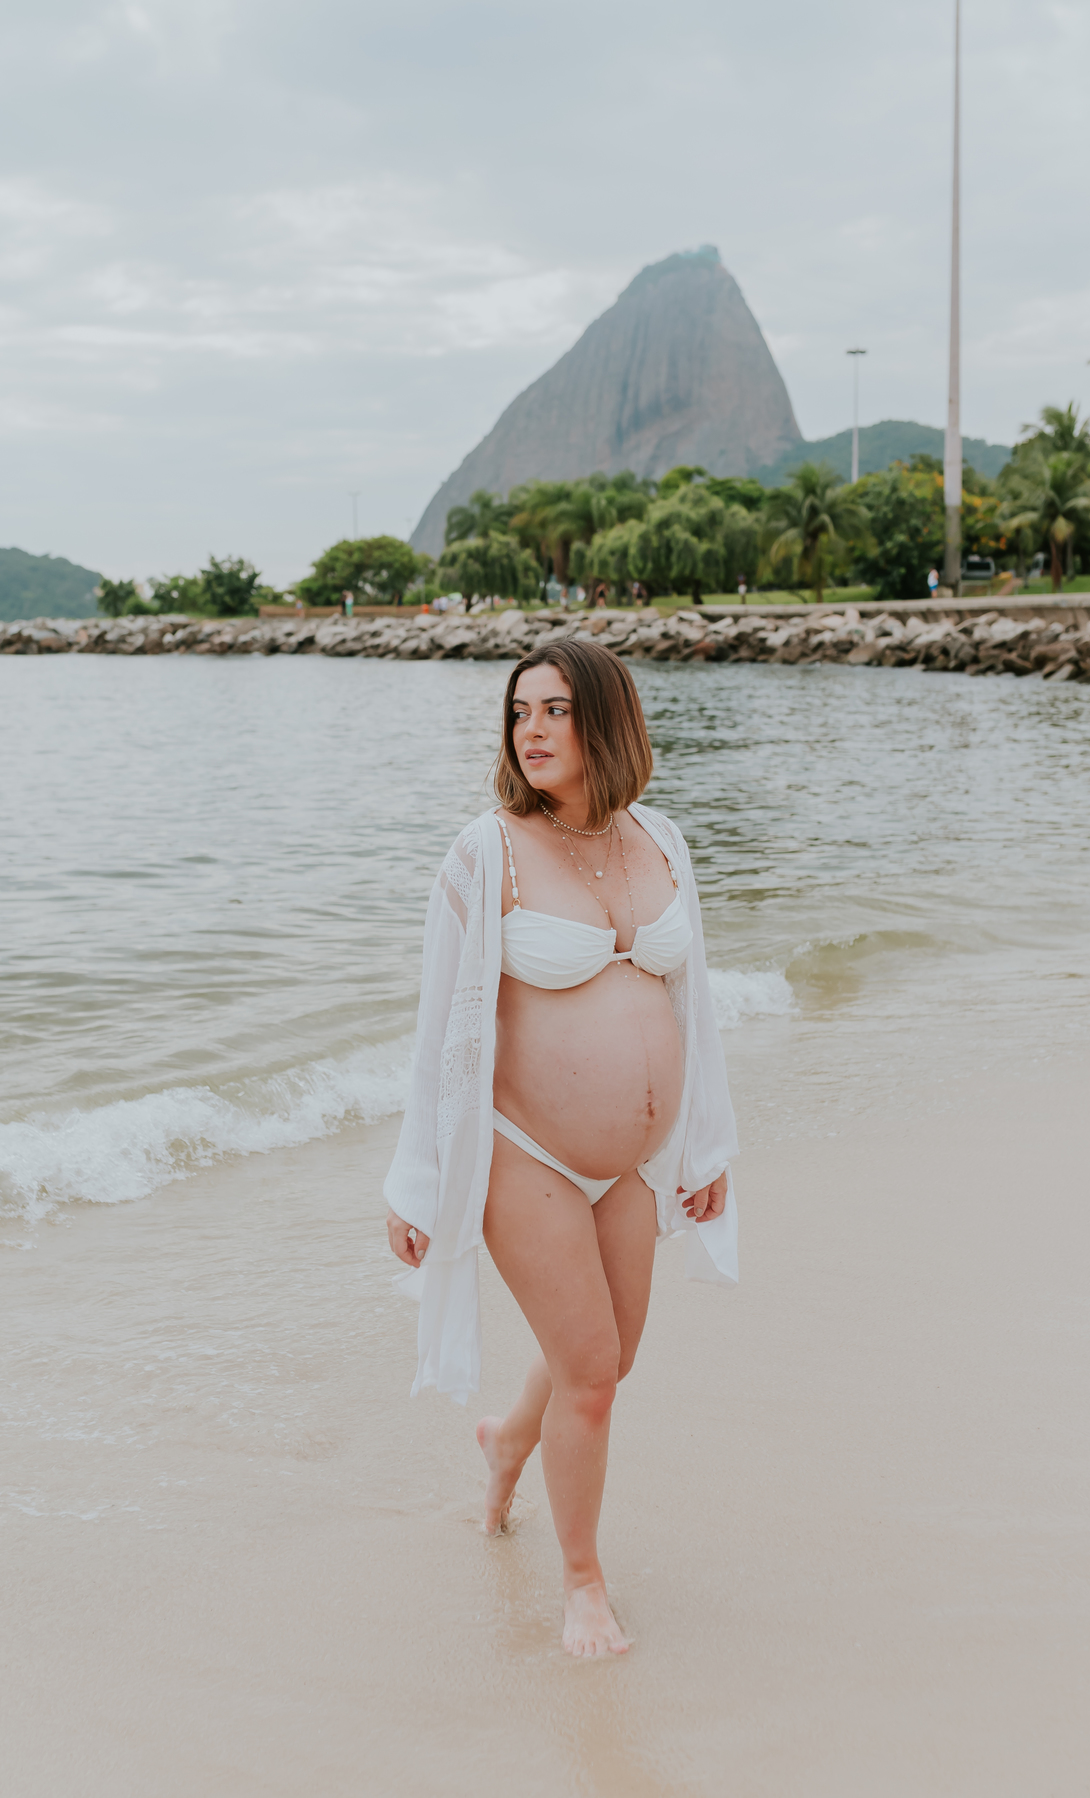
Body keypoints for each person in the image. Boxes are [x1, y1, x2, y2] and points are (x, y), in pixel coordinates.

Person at [385, 639, 738, 1658]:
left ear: (605, 722)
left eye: (554, 711)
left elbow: (693, 1003)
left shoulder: (660, 838)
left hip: (630, 1163)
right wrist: (416, 1178)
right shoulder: (484, 852)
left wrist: (703, 1145)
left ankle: (506, 1438)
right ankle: (583, 1583)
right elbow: (437, 1030)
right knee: (588, 1367)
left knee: (611, 1356)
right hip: (521, 1151)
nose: (530, 731)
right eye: (518, 714)